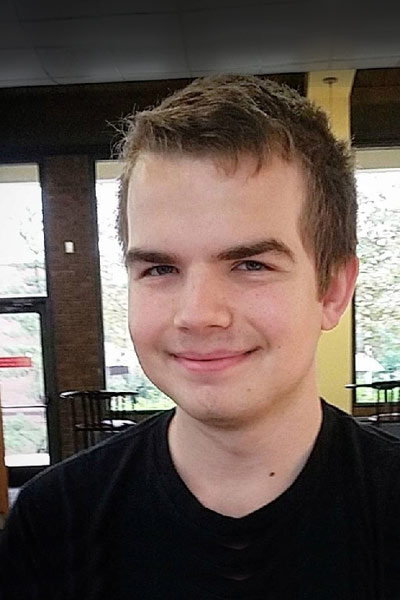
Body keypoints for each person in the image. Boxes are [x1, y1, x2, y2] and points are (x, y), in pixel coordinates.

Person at [1, 75, 399, 600]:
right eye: (161, 268)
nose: (197, 315)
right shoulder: (54, 519)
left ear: (332, 290)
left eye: (251, 264)